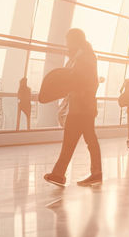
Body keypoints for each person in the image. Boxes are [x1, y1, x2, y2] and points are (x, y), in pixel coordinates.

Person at [44, 29, 103, 187]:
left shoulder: (85, 57)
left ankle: (63, 174)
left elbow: (84, 81)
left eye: (68, 41)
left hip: (82, 107)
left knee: (83, 140)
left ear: (75, 40)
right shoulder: (81, 56)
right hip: (80, 106)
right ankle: (60, 174)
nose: (67, 44)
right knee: (80, 140)